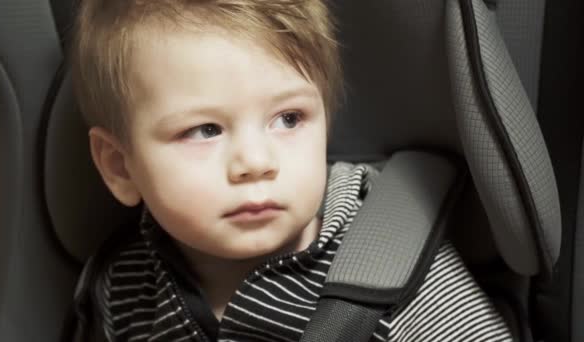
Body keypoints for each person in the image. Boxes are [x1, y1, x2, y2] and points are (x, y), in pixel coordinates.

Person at [69, 0, 513, 340]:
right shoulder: (124, 287)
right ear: (119, 166)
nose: (256, 164)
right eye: (204, 130)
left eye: (288, 119)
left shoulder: (398, 280)